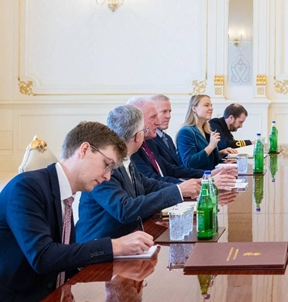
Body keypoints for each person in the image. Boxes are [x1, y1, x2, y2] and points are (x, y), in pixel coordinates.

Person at [0, 122, 154, 302]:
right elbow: (43, 257)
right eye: (107, 164)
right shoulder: (27, 187)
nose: (107, 176)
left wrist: (122, 264)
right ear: (84, 149)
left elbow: (64, 257)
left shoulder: (64, 194)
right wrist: (114, 246)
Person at [76, 106, 201, 242]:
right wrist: (179, 190)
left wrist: (186, 186)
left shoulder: (125, 159)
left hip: (129, 239)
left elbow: (149, 185)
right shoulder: (105, 166)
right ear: (138, 136)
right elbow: (124, 210)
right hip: (99, 247)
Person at [127, 96, 236, 186]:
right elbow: (152, 180)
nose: (159, 121)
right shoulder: (132, 147)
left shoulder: (151, 141)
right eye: (154, 116)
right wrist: (197, 182)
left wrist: (208, 174)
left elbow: (171, 168)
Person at [177, 95, 236, 171]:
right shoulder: (186, 132)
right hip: (195, 177)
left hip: (210, 175)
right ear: (194, 108)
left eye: (211, 105)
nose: (211, 108)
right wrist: (211, 146)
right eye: (206, 105)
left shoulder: (207, 131)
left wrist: (221, 154)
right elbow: (189, 163)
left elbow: (208, 160)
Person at [146, 94, 181, 167]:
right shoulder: (148, 140)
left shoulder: (168, 138)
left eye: (169, 111)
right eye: (164, 111)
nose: (169, 116)